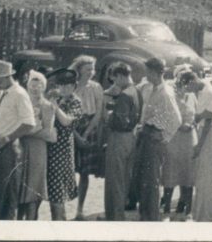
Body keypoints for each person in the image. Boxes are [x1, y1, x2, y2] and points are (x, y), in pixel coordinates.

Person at [0, 59, 36, 220]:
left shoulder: (19, 94)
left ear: (7, 77)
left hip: (6, 150)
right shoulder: (6, 93)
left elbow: (29, 123)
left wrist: (7, 138)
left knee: (4, 197)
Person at [134, 58, 181, 222]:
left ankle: (152, 217)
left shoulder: (165, 93)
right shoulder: (150, 89)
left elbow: (176, 119)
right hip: (147, 135)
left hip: (155, 138)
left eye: (148, 72)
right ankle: (145, 214)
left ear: (155, 72)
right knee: (144, 179)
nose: (146, 75)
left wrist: (163, 136)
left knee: (152, 180)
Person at [181, 68, 212, 222]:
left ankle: (205, 216)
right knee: (201, 177)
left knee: (206, 177)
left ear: (192, 81)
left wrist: (199, 146)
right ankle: (200, 214)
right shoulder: (202, 90)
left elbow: (207, 121)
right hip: (206, 132)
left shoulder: (209, 93)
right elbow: (201, 117)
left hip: (211, 134)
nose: (187, 90)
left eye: (187, 87)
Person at [103, 62, 141, 221]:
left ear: (120, 76)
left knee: (115, 179)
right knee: (124, 177)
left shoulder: (125, 94)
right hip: (131, 137)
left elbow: (119, 122)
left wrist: (109, 115)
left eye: (115, 78)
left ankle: (116, 216)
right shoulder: (136, 91)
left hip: (119, 137)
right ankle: (115, 214)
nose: (114, 83)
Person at [17, 70, 56, 220]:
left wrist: (26, 131)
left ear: (43, 87)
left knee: (34, 186)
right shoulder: (23, 103)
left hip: (37, 149)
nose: (34, 89)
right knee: (20, 185)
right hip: (22, 147)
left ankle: (31, 221)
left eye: (38, 85)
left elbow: (49, 133)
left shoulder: (47, 106)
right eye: (31, 86)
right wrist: (31, 129)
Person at [70, 55, 103, 220]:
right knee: (68, 170)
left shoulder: (96, 87)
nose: (91, 72)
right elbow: (66, 114)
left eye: (92, 69)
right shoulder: (72, 87)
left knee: (84, 173)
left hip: (90, 130)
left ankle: (79, 210)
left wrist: (86, 134)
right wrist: (76, 135)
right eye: (87, 69)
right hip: (72, 128)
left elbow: (98, 113)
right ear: (79, 69)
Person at [46, 68, 82, 221]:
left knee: (57, 193)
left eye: (69, 85)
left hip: (62, 151)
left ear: (74, 86)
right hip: (50, 149)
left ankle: (60, 226)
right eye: (62, 85)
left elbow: (67, 121)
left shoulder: (76, 101)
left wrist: (54, 106)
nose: (65, 88)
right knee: (52, 193)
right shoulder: (58, 99)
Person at [162, 67, 196, 218]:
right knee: (170, 171)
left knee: (187, 172)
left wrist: (192, 125)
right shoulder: (171, 95)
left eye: (188, 83)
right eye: (182, 82)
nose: (185, 86)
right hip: (174, 137)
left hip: (189, 138)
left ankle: (186, 207)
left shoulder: (193, 95)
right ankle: (167, 206)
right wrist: (180, 125)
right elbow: (167, 115)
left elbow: (197, 115)